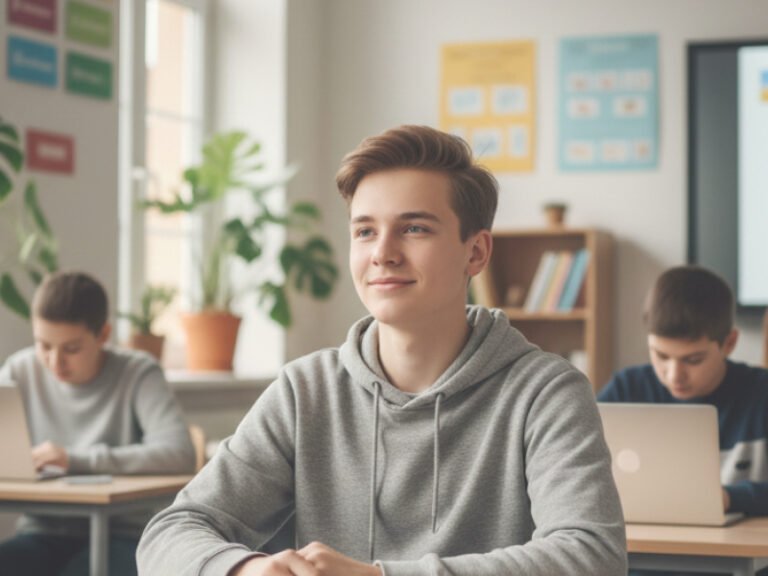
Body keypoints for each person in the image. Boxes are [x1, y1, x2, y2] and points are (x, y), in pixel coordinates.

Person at [137, 125, 626, 575]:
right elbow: (170, 532)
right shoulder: (305, 391)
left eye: (414, 228)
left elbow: (593, 556)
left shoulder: (545, 392)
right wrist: (244, 570)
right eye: (365, 230)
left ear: (475, 252)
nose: (382, 253)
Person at [0, 271, 196, 576]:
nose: (54, 362)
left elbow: (178, 452)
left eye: (71, 348)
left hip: (123, 535)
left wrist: (73, 460)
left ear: (103, 335)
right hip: (41, 532)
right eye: (44, 345)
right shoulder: (18, 370)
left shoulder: (138, 373)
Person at [598, 265, 768, 522]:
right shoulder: (625, 389)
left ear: (729, 343)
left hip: (742, 557)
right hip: (641, 547)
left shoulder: (761, 393)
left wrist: (730, 498)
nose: (674, 375)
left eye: (694, 360)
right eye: (661, 355)